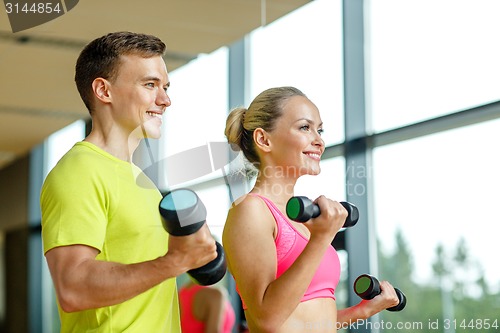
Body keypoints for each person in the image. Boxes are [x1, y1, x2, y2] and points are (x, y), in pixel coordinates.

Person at [40, 31, 217, 332]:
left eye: (165, 87)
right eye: (150, 84)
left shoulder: (140, 181)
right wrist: (173, 262)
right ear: (103, 91)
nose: (165, 100)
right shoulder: (78, 171)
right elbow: (73, 289)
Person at [222, 86, 400, 332]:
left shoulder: (305, 222)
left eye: (320, 129)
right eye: (305, 127)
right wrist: (322, 237)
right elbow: (267, 320)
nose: (319, 140)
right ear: (264, 139)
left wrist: (363, 311)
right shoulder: (251, 211)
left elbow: (303, 321)